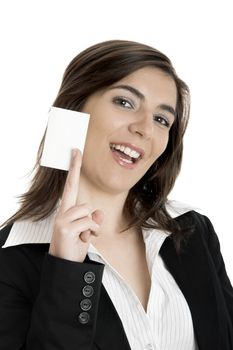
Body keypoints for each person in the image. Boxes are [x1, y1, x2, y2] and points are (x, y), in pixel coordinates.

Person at [0, 39, 232, 350]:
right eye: (124, 102)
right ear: (74, 107)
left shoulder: (194, 231)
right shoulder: (11, 259)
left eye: (162, 120)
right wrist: (66, 270)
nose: (144, 129)